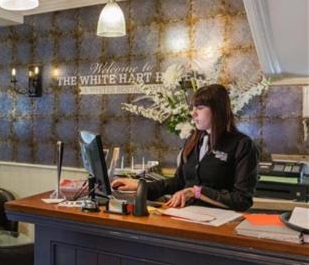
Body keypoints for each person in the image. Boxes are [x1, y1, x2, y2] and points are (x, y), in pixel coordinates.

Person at [111, 84, 259, 211]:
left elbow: (242, 200)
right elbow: (178, 182)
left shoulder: (242, 145)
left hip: (219, 227)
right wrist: (140, 185)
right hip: (186, 218)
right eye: (193, 108)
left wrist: (197, 192)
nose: (193, 114)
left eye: (200, 108)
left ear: (218, 110)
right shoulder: (193, 140)